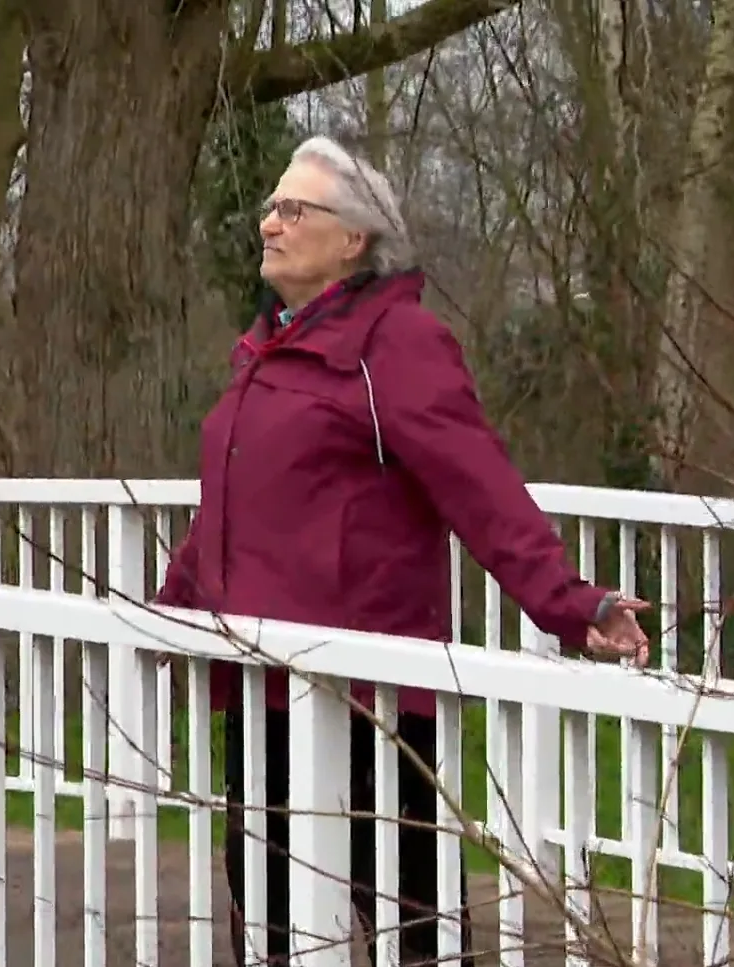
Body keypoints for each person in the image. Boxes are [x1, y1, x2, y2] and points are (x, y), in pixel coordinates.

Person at [154, 135, 651, 967]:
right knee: (270, 925)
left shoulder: (398, 344)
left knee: (413, 931)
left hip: (367, 700)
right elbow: (235, 507)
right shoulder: (268, 347)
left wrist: (573, 603)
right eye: (271, 207)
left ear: (354, 238)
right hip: (264, 690)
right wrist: (164, 616)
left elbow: (480, 486)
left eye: (293, 209)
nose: (270, 223)